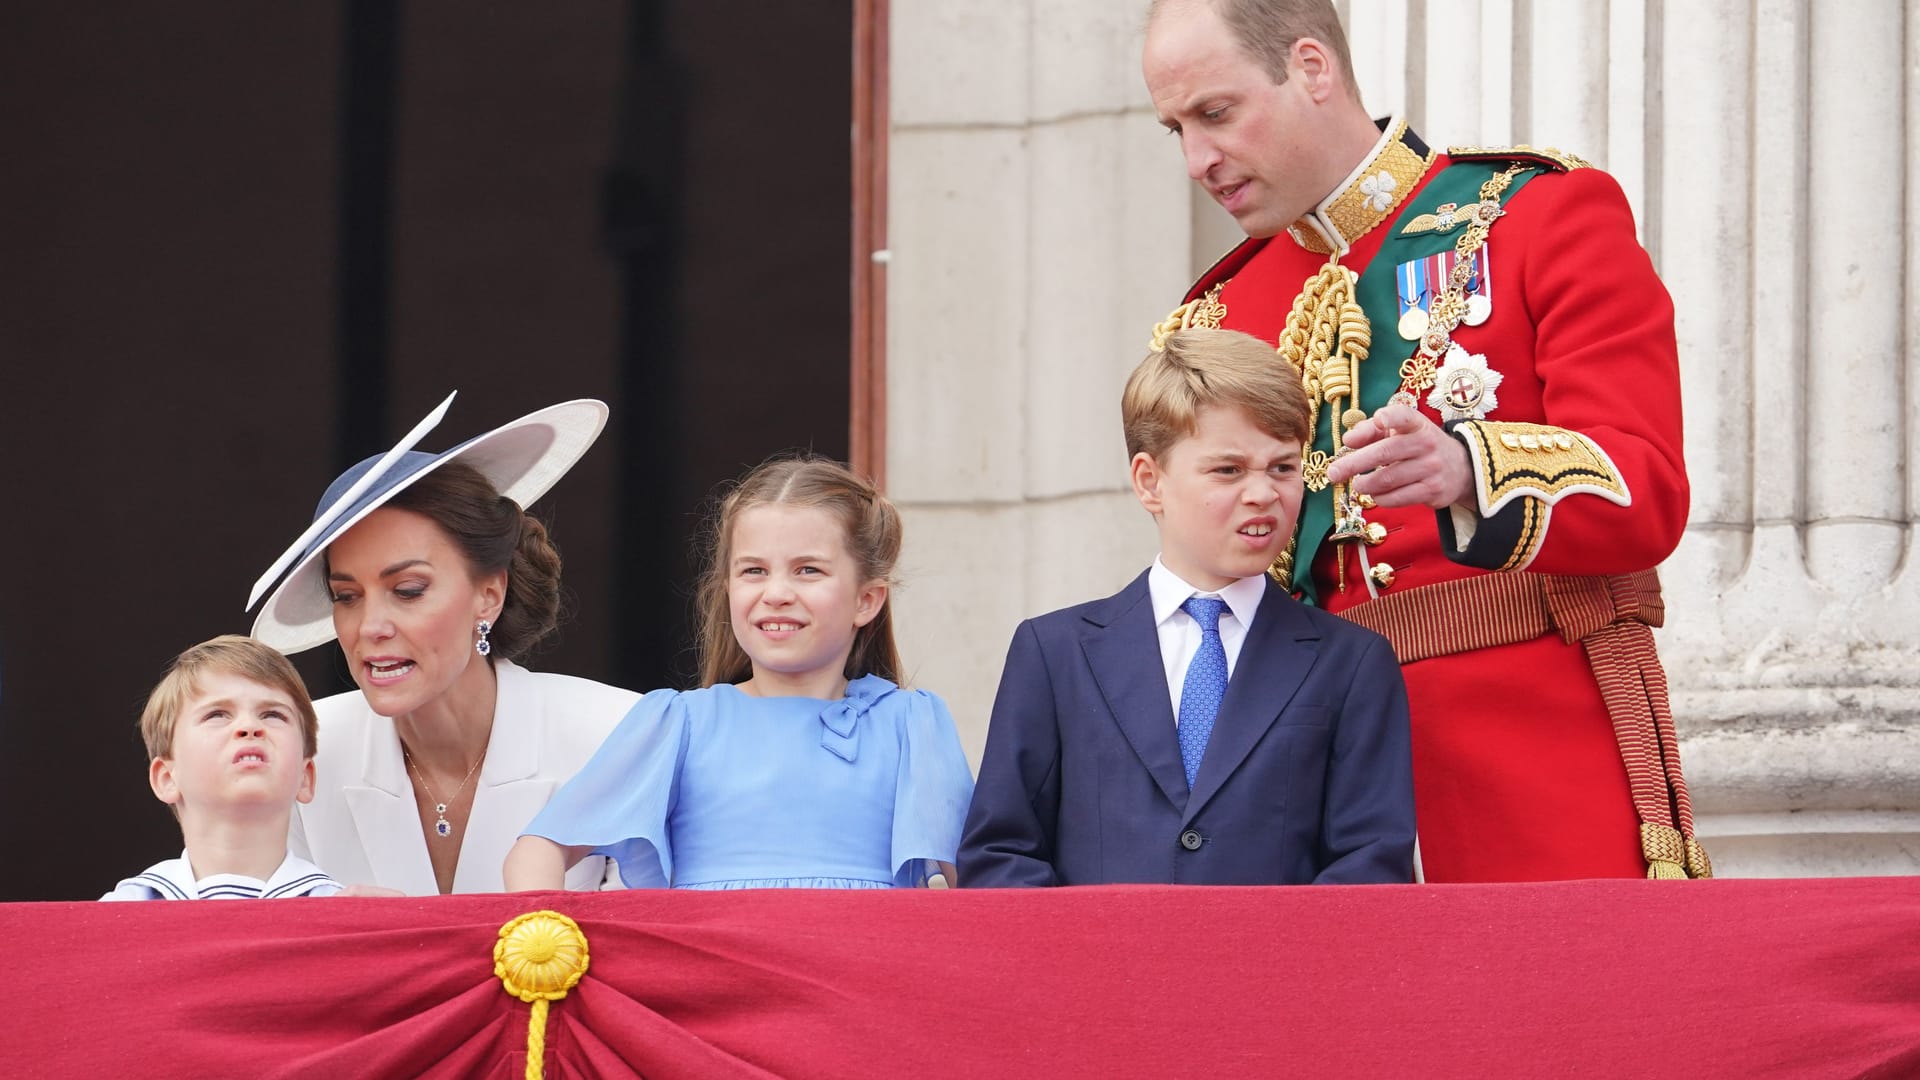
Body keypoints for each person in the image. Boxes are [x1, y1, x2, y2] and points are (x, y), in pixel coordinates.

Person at [1140, 0, 1706, 881]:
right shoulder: (1216, 315)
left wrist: (1470, 469)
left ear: (1312, 69)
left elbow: (1647, 488)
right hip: (1308, 776)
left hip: (1526, 750)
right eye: (1175, 128)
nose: (1196, 160)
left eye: (1215, 114)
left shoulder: (1534, 216)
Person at [959, 328, 1413, 886]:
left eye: (1282, 468)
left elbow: (1368, 865)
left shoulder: (1352, 662)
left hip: (1280, 971)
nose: (1263, 493)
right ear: (1149, 482)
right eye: (1228, 470)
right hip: (1096, 970)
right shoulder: (1054, 653)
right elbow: (1002, 854)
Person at [503, 455, 973, 891]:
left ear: (866, 600)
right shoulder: (679, 721)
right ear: (727, 587)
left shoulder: (912, 723)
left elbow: (979, 881)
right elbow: (538, 848)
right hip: (710, 976)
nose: (776, 592)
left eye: (808, 570)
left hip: (857, 973)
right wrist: (545, 941)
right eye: (754, 571)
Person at [247, 394, 640, 895]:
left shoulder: (617, 736)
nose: (370, 626)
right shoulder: (301, 748)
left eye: (408, 590)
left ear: (488, 596)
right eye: (347, 596)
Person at [103, 635, 343, 900]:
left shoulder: (342, 911)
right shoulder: (122, 910)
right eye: (217, 714)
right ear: (167, 778)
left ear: (305, 777)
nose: (250, 726)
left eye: (273, 715)